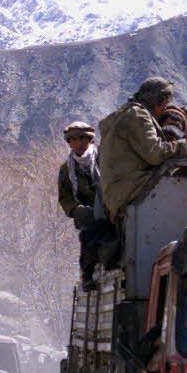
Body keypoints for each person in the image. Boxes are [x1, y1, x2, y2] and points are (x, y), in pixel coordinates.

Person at [98, 79, 187, 218]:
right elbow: (155, 154)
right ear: (158, 100)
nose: (165, 108)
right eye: (165, 102)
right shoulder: (138, 114)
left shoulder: (123, 114)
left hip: (118, 191)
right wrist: (185, 143)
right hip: (131, 188)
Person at [57, 120, 119, 290]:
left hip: (112, 212)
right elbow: (65, 197)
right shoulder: (66, 170)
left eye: (83, 138)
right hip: (88, 218)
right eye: (74, 139)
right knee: (88, 239)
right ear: (69, 143)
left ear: (90, 140)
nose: (79, 143)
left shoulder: (105, 160)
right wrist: (76, 210)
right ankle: (88, 276)